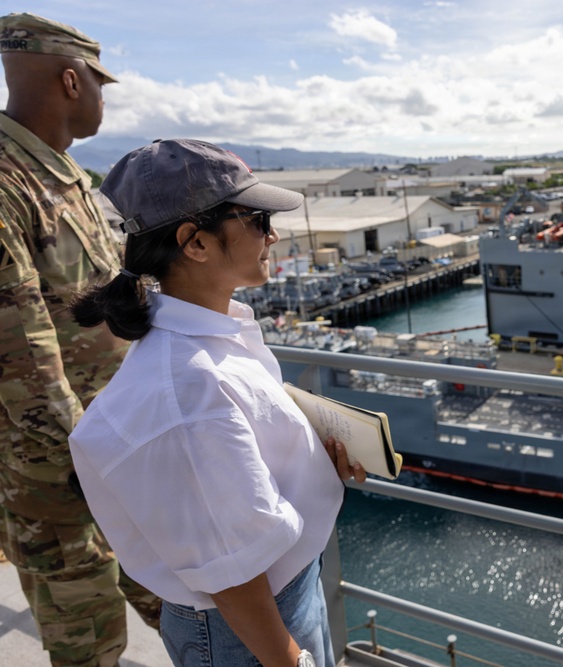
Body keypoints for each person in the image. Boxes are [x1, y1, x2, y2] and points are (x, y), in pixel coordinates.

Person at [68, 138, 367, 667]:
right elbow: (228, 571)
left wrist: (308, 461)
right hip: (250, 627)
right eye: (257, 219)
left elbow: (223, 489)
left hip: (278, 597)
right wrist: (287, 658)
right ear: (196, 243)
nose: (272, 235)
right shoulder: (187, 388)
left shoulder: (212, 340)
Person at [0, 12, 162, 665]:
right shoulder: (9, 182)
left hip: (116, 448)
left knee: (181, 602)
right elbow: (20, 350)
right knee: (88, 642)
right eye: (100, 84)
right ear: (72, 80)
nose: (103, 97)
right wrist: (93, 455)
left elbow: (102, 297)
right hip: (62, 470)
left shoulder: (61, 174)